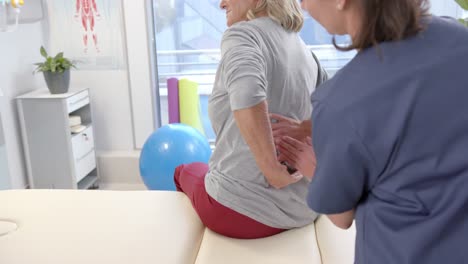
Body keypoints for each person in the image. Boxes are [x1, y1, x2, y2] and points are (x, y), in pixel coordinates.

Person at [277, 0, 468, 263]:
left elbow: (341, 215)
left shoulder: (341, 103)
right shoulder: (459, 39)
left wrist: (312, 166)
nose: (303, 6)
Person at [173, 0, 320, 239]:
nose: (221, 4)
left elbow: (247, 93)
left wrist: (272, 170)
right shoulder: (305, 51)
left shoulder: (242, 35)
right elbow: (329, 116)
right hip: (303, 210)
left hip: (240, 213)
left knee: (183, 170)